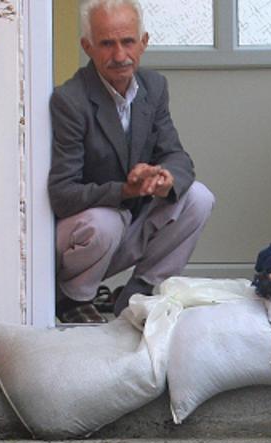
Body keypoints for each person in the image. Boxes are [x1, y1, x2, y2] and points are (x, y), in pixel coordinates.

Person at [49, 0, 215, 323]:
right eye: (107, 44)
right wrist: (124, 190)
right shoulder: (70, 100)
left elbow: (176, 155)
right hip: (82, 237)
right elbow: (62, 193)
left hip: (126, 227)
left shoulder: (153, 87)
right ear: (88, 47)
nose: (120, 55)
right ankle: (72, 299)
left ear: (144, 42)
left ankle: (138, 294)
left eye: (128, 41)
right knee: (106, 222)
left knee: (198, 197)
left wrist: (165, 178)